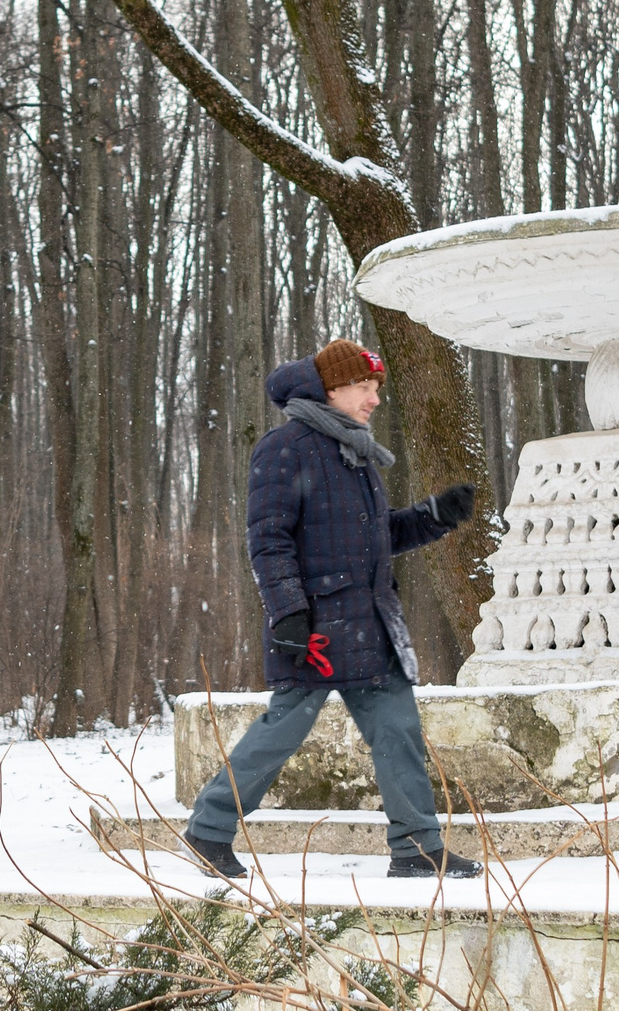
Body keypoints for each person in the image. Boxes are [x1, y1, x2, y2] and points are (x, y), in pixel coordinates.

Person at [182, 339, 480, 881]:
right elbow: (268, 539)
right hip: (315, 628)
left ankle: (416, 847)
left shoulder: (352, 451)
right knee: (283, 730)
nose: (374, 400)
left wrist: (434, 516)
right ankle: (209, 830)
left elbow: (373, 537)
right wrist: (288, 611)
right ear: (331, 389)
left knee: (398, 730)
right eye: (364, 388)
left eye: (376, 389)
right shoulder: (286, 448)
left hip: (369, 623)